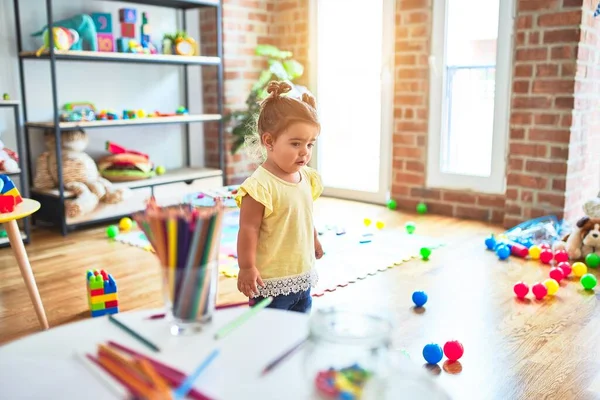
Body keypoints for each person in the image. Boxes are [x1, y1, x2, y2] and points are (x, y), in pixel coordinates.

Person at [234, 80, 324, 313]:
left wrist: (313, 239)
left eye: (310, 144)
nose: (304, 151)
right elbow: (248, 229)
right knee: (270, 338)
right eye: (296, 143)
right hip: (271, 285)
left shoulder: (306, 177)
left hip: (301, 277)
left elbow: (305, 216)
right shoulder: (259, 186)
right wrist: (246, 267)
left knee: (299, 334)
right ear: (269, 141)